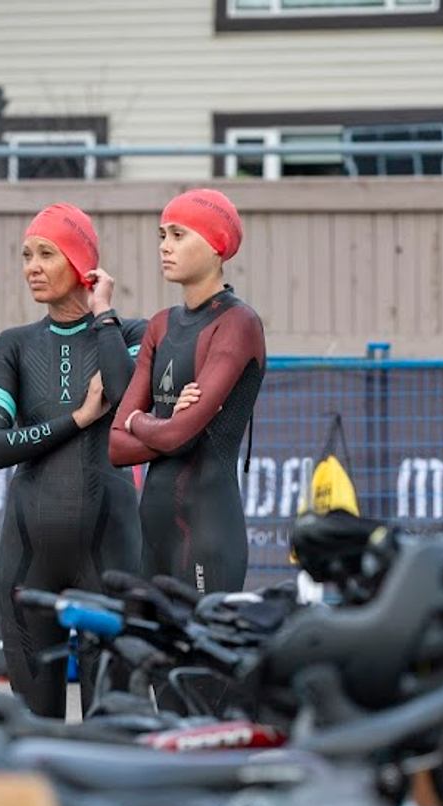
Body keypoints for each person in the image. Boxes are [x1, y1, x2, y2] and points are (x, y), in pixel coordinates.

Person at [0, 203, 146, 719]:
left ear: (81, 263)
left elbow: (123, 394)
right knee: (33, 732)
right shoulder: (14, 345)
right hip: (29, 559)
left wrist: (103, 314)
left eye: (46, 253)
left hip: (110, 553)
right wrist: (75, 419)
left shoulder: (131, 333)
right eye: (26, 254)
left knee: (110, 724)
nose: (31, 265)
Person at [111, 188, 266, 596]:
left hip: (208, 532)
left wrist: (137, 422)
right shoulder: (160, 325)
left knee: (200, 660)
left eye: (178, 235)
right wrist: (159, 423)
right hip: (154, 532)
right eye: (162, 236)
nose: (165, 247)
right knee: (148, 658)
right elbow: (115, 447)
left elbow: (181, 436)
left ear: (216, 244)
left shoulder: (237, 324)